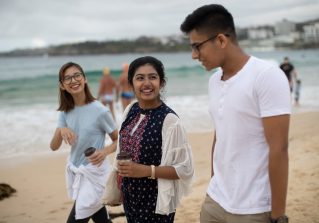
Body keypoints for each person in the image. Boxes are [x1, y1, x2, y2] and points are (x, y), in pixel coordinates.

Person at [180, 4, 291, 223]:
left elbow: (279, 148)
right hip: (216, 200)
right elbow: (220, 133)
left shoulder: (266, 76)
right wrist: (214, 181)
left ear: (221, 40)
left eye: (197, 47)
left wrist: (278, 216)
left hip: (254, 207)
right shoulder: (214, 81)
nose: (194, 55)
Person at [116, 56, 194, 223]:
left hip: (156, 204)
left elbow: (185, 169)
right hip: (130, 199)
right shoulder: (131, 109)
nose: (146, 83)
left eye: (152, 77)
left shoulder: (169, 120)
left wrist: (146, 171)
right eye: (140, 78)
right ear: (131, 83)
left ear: (162, 82)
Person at [50, 62, 118, 223]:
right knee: (101, 219)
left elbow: (119, 139)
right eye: (67, 78)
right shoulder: (65, 110)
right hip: (77, 172)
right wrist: (61, 130)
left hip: (94, 173)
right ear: (62, 85)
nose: (73, 80)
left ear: (84, 79)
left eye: (77, 75)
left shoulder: (100, 110)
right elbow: (53, 146)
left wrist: (105, 151)